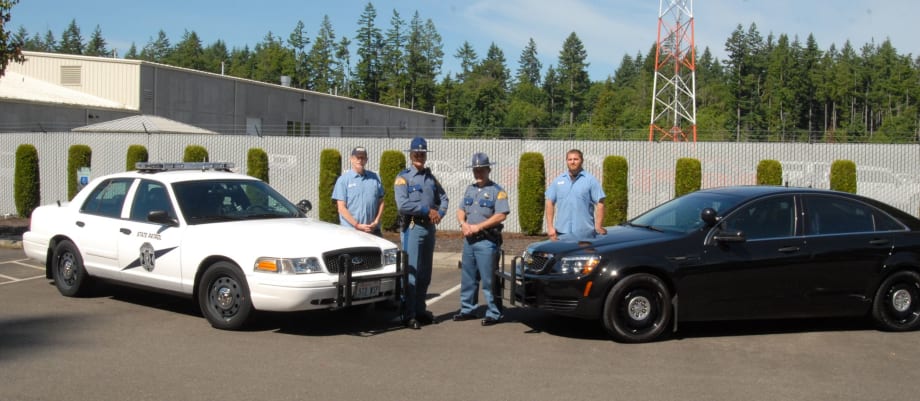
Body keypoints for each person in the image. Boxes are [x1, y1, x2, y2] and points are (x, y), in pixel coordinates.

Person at [394, 136, 449, 329]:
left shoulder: (430, 178)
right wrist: (427, 210)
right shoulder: (403, 178)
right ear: (411, 155)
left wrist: (440, 213)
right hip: (413, 227)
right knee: (412, 273)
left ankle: (420, 310)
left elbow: (444, 198)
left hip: (429, 228)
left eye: (422, 154)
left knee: (425, 273)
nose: (419, 156)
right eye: (416, 153)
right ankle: (408, 314)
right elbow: (403, 205)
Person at [455, 152, 509, 326]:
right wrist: (463, 223)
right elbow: (461, 209)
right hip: (469, 240)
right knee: (468, 277)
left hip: (487, 241)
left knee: (489, 279)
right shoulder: (469, 189)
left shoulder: (497, 191)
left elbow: (501, 215)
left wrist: (479, 226)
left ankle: (494, 312)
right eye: (475, 170)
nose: (478, 173)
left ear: (488, 170)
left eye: (481, 170)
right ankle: (468, 309)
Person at [545, 149, 607, 241]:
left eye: (576, 159)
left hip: (585, 233)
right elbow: (549, 202)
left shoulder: (590, 180)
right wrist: (550, 227)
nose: (572, 162)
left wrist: (598, 226)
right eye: (569, 159)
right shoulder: (558, 180)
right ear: (566, 161)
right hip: (562, 232)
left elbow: (600, 202)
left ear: (581, 161)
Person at [332, 146, 384, 236]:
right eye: (357, 157)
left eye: (362, 158)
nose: (360, 160)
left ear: (366, 160)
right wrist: (357, 225)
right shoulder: (343, 180)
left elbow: (381, 202)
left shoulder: (375, 178)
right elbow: (341, 208)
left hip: (373, 230)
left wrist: (376, 222)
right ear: (351, 159)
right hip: (351, 232)